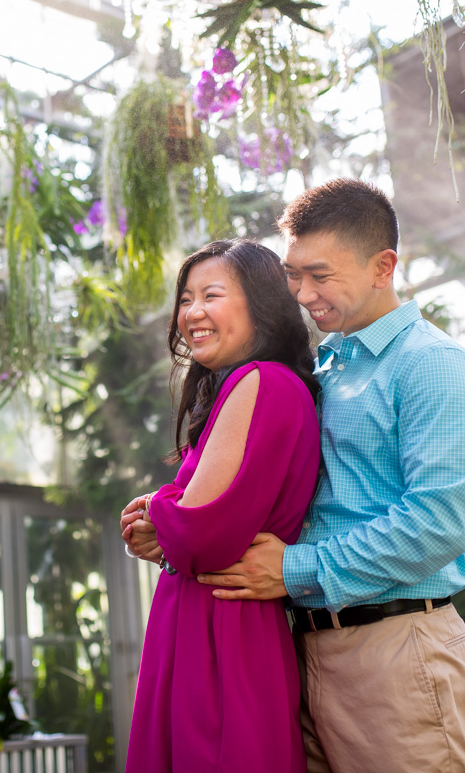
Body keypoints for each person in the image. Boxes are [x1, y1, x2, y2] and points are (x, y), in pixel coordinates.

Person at [189, 179, 465, 772]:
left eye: (320, 275)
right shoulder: (319, 370)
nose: (302, 294)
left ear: (384, 266)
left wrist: (292, 568)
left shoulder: (433, 365)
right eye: (294, 275)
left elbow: (439, 524)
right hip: (297, 647)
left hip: (395, 649)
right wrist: (175, 510)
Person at [118, 239, 320, 773]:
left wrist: (158, 512)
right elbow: (193, 527)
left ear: (261, 302)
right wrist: (166, 522)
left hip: (223, 633)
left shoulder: (261, 381)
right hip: (210, 620)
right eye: (185, 299)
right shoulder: (242, 386)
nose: (192, 313)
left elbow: (199, 534)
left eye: (211, 295)